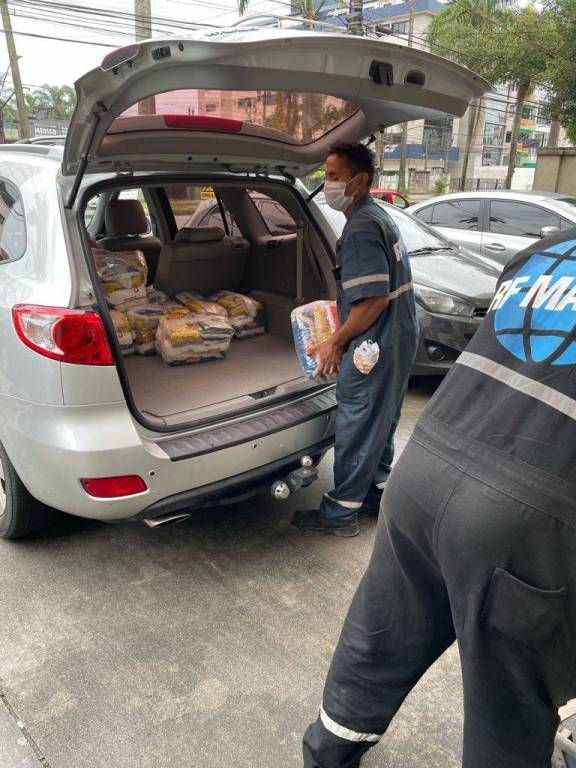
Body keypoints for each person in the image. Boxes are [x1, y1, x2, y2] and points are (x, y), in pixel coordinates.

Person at [303, 228, 576, 768]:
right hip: (523, 519)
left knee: (379, 641)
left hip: (427, 462)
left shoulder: (548, 250)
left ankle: (326, 754)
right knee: (508, 706)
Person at [292, 142, 418, 538]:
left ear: (359, 181)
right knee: (380, 418)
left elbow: (373, 301)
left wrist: (335, 342)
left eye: (333, 176)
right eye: (325, 175)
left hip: (375, 343)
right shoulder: (376, 215)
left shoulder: (362, 227)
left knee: (358, 421)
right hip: (397, 336)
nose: (326, 184)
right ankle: (376, 494)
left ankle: (339, 513)